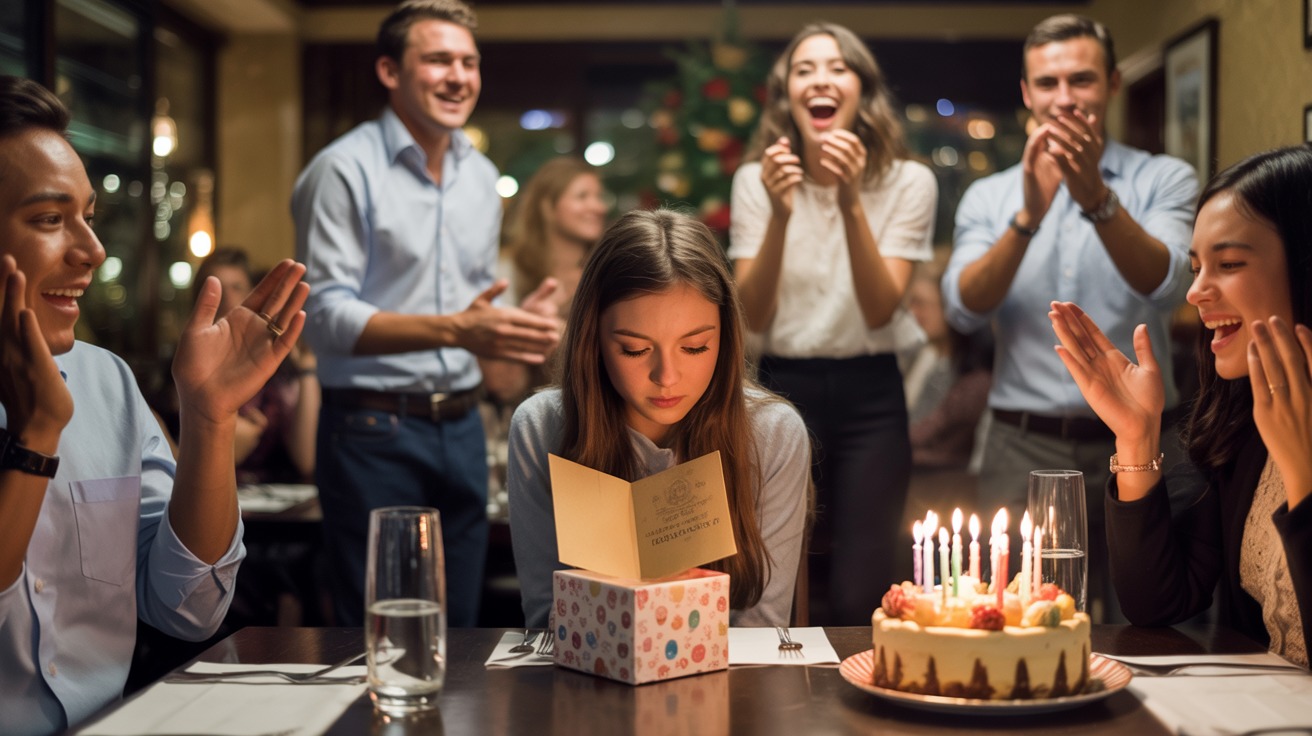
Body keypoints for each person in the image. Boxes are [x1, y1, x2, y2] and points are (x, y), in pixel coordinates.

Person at [0, 76, 309, 735]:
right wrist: (37, 436)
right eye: (51, 220)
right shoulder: (61, 407)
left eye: (89, 217)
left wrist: (210, 419)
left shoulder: (106, 382)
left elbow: (186, 606)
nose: (92, 251)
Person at [291, 0, 560, 628]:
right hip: (370, 432)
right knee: (375, 636)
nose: (458, 76)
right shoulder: (341, 170)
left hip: (463, 427)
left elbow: (468, 313)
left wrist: (509, 328)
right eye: (438, 59)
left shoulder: (482, 176)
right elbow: (325, 318)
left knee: (460, 634)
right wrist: (462, 330)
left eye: (469, 62)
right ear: (390, 71)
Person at [941, 13, 1199, 621]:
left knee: (1149, 618)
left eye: (1080, 79)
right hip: (1017, 441)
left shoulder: (1164, 178)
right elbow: (963, 307)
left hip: (1136, 439)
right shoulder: (991, 196)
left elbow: (1167, 285)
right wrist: (1027, 216)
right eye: (1047, 83)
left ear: (1111, 84)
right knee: (1011, 618)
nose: (1064, 98)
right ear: (1027, 93)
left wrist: (1095, 200)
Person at [1049, 145, 1312, 667]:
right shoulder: (1247, 418)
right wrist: (1135, 438)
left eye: (1230, 264)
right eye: (1195, 268)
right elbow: (1158, 602)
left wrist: (1303, 473)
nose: (1195, 292)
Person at [508, 209, 811, 628]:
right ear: (591, 339)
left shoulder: (771, 433)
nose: (666, 378)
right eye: (634, 349)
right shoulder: (541, 427)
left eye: (695, 348)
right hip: (587, 685)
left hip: (733, 685)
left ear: (724, 338)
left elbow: (761, 625)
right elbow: (549, 619)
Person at [728, 22, 937, 624]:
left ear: (861, 89)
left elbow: (880, 308)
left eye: (837, 66)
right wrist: (779, 214)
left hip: (871, 394)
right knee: (772, 582)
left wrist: (849, 200)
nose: (820, 78)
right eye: (803, 69)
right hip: (776, 389)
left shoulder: (908, 182)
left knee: (857, 591)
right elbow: (753, 315)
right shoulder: (755, 181)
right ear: (786, 95)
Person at [194, 247, 319, 483]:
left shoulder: (278, 366)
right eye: (216, 289)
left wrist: (307, 366)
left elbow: (306, 460)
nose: (227, 299)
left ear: (254, 293)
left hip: (279, 502)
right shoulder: (183, 370)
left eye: (237, 287)